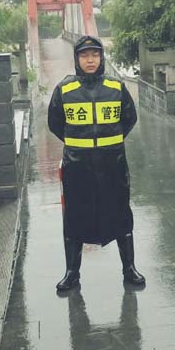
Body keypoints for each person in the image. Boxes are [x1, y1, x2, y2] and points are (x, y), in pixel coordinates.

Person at [47, 35, 144, 291]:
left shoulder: (116, 87)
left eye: (95, 54)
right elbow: (55, 123)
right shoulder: (65, 90)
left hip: (113, 163)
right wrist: (79, 144)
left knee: (120, 213)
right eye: (84, 55)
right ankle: (72, 273)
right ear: (77, 59)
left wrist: (110, 142)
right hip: (77, 165)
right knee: (75, 216)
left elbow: (129, 118)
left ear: (101, 58)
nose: (90, 60)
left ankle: (129, 268)